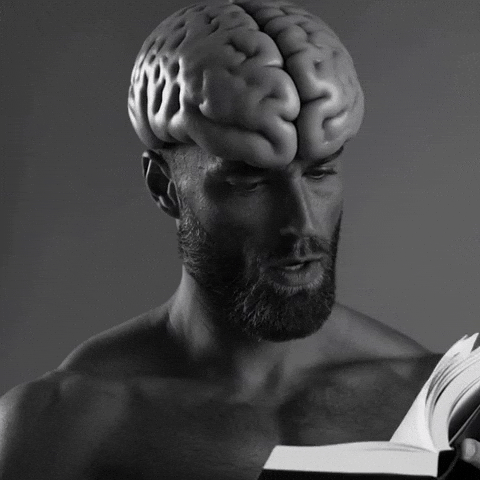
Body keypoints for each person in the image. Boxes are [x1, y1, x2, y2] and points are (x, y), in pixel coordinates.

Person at [0, 1, 479, 478]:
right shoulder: (67, 425)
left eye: (319, 173)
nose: (302, 223)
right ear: (164, 186)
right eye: (251, 181)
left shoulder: (434, 405)